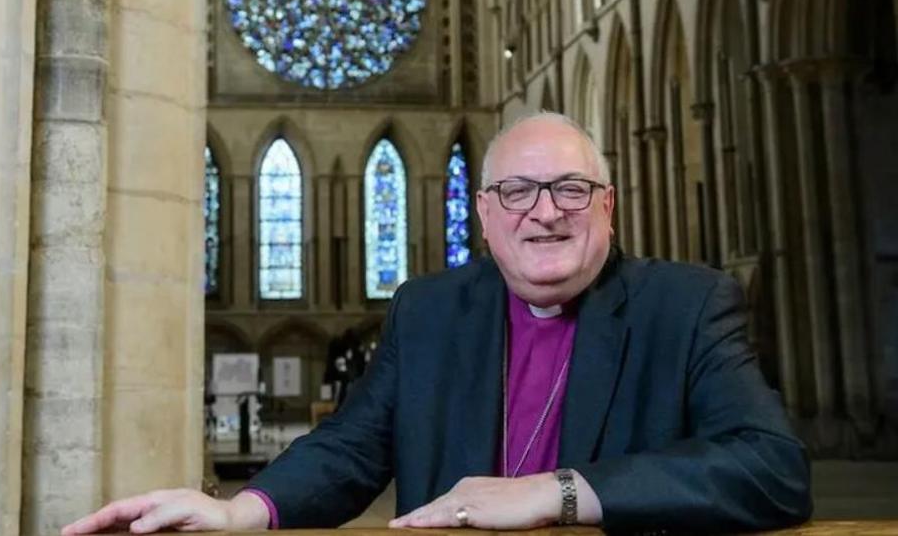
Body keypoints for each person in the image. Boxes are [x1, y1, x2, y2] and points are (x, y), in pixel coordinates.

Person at [62, 113, 811, 535]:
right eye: (517, 191)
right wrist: (242, 512)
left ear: (608, 206)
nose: (545, 212)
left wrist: (564, 491)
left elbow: (773, 471)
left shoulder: (684, 306)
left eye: (571, 189)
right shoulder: (429, 309)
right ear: (482, 213)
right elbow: (354, 449)